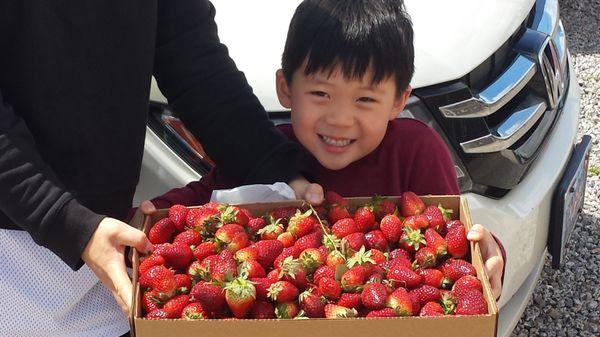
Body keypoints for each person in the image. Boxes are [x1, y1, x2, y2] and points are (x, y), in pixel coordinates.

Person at [139, 0, 505, 301]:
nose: (341, 119)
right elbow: (197, 203)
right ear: (285, 88)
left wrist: (489, 254)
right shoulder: (263, 154)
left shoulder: (417, 152)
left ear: (399, 101)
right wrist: (148, 218)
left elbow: (452, 243)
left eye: (365, 99)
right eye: (320, 94)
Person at [0, 1, 323, 336]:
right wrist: (66, 222)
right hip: (13, 250)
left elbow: (191, 56)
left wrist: (276, 168)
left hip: (110, 244)